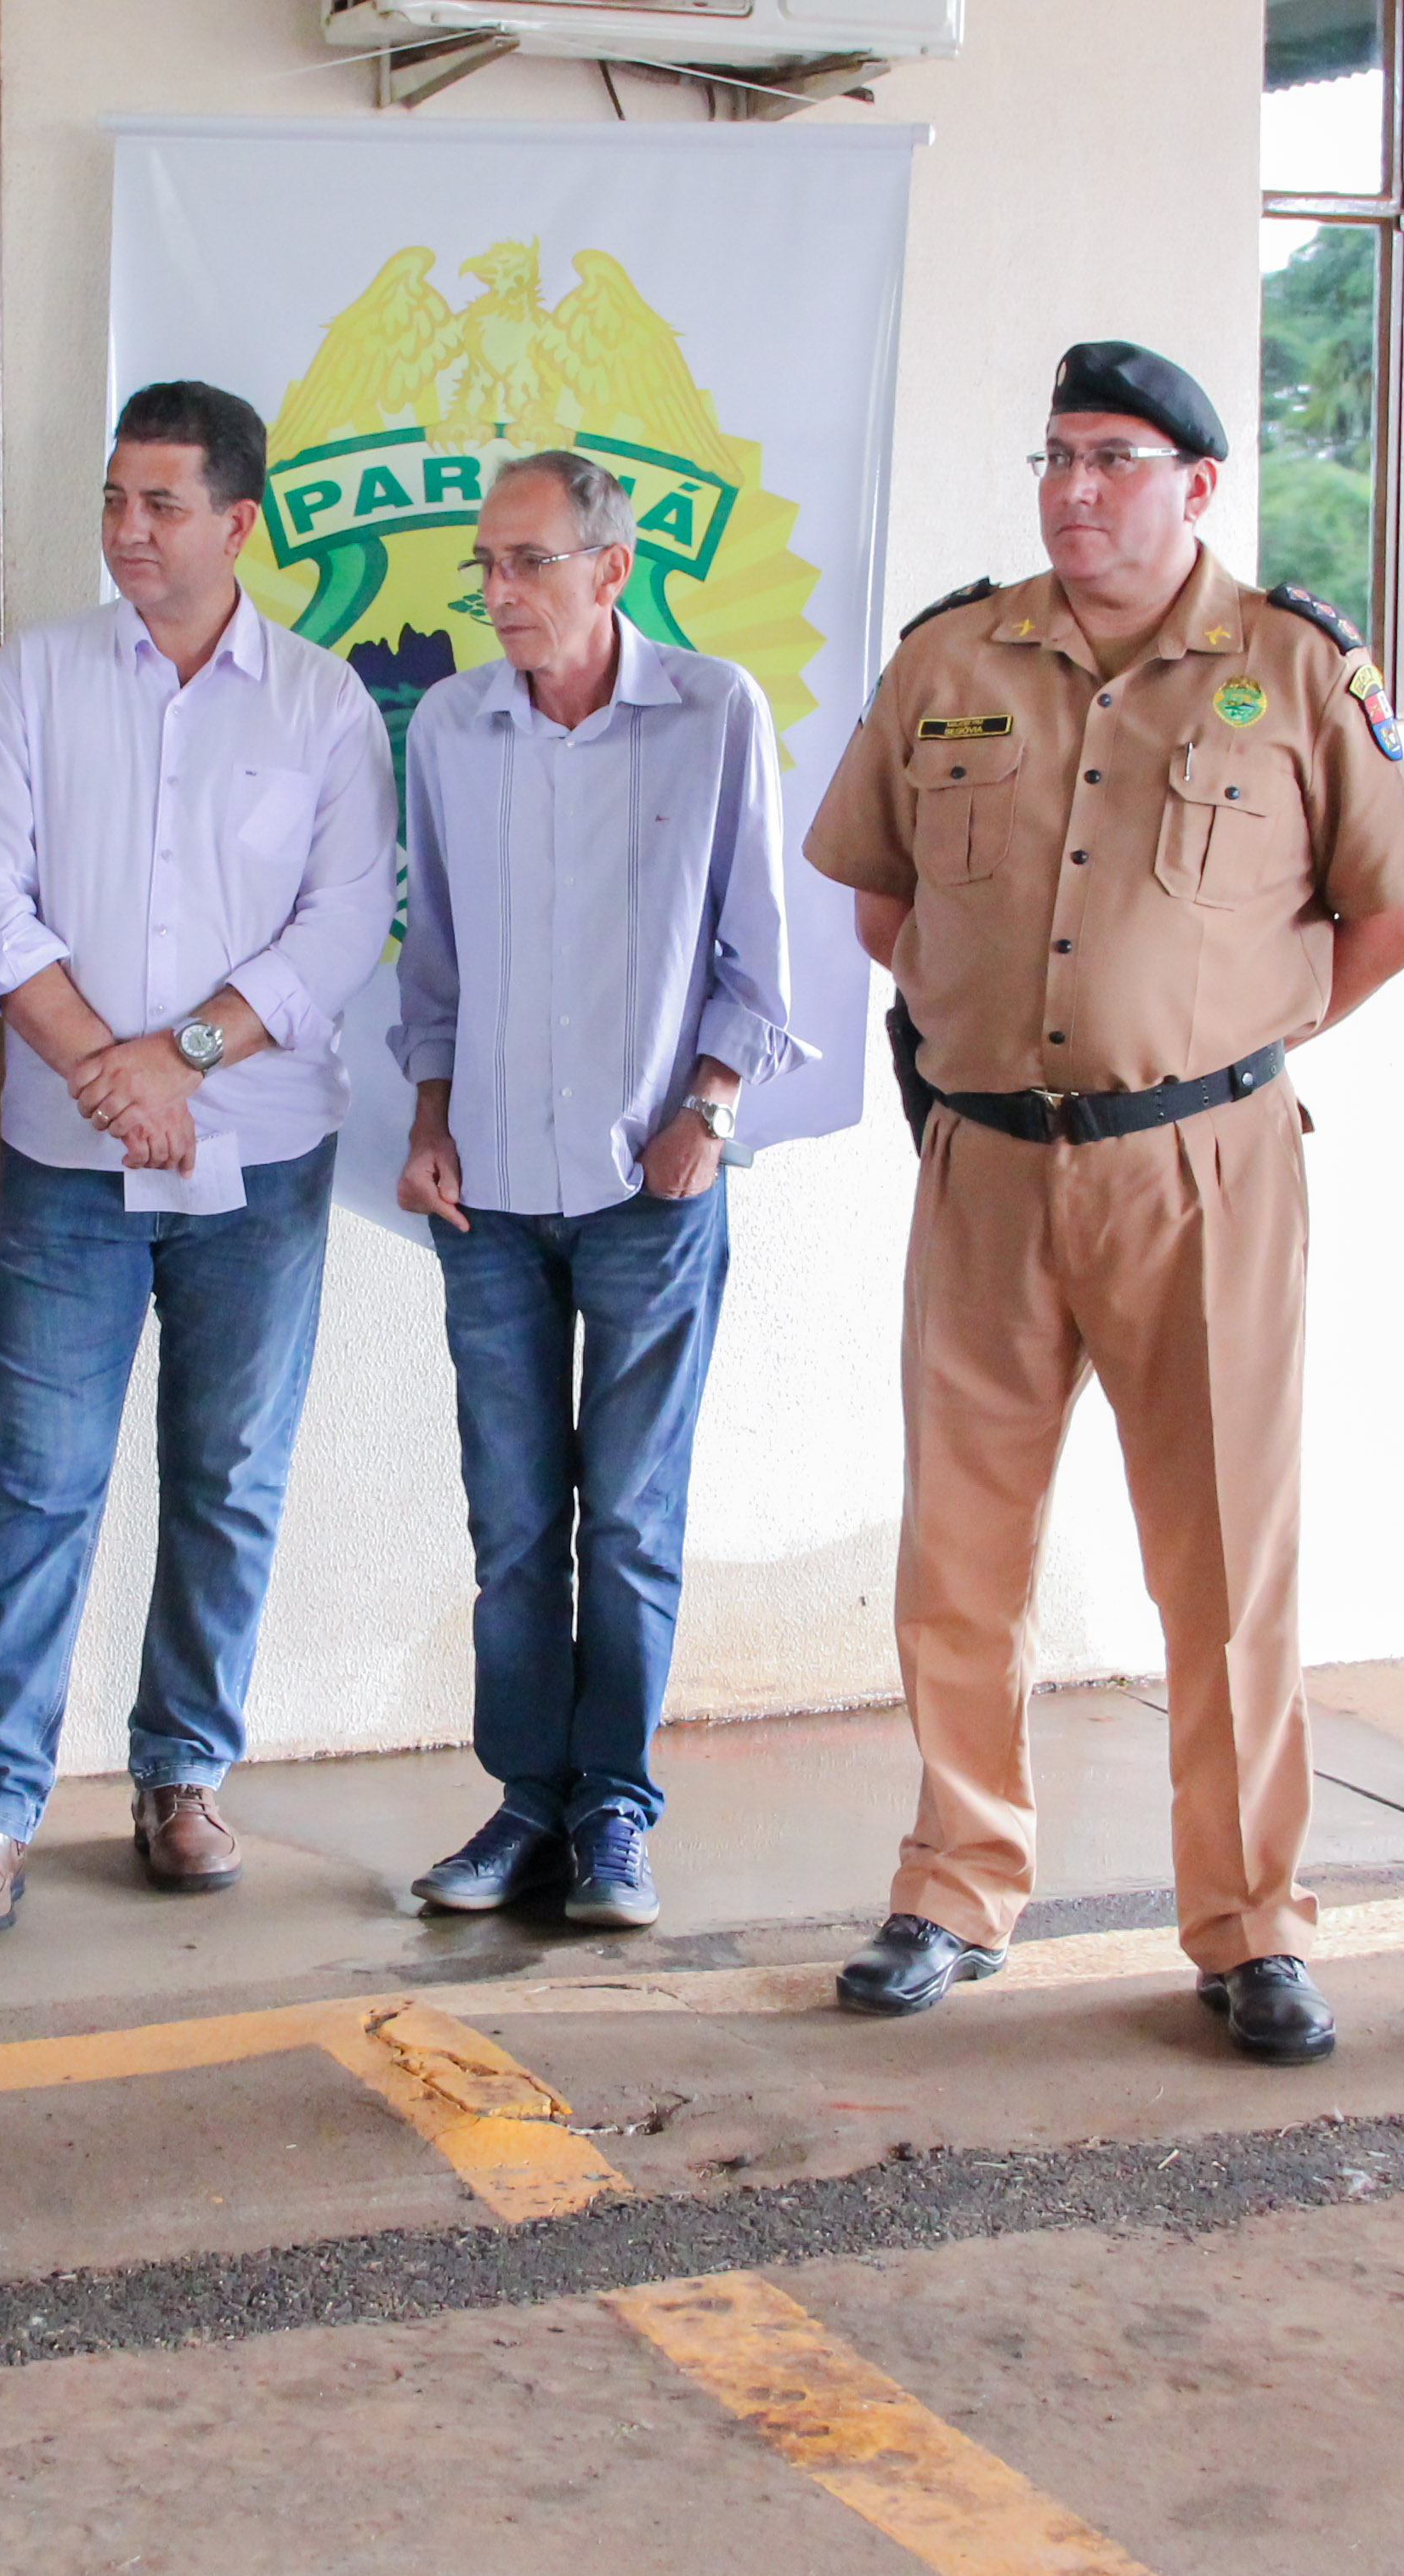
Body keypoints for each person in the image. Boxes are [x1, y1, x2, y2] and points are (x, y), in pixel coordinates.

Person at [801, 341, 1404, 2060]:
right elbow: (880, 898)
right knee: (956, 1553)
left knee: (1224, 1562)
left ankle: (1247, 1925)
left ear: (1196, 488)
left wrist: (1224, 1039)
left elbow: (1389, 918)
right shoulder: (951, 657)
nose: (1075, 489)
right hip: (992, 1164)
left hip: (1203, 1176)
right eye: (1058, 453)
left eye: (1115, 459)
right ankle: (951, 1884)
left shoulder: (1295, 668)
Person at [0, 380, 396, 1939]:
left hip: (259, 1160)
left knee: (227, 1477)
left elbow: (338, 926)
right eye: (114, 500)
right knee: (39, 1479)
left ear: (237, 522)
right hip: (68, 1159)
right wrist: (104, 1077)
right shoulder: (34, 680)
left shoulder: (320, 703)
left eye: (160, 504)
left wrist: (175, 1060)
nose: (126, 530)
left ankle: (180, 1775)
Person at [391, 448, 811, 1931]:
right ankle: (524, 1803)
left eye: (526, 563)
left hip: (650, 1185)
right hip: (486, 1193)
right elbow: (428, 957)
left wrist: (704, 1111)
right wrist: (427, 1119)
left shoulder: (710, 715)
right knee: (511, 1521)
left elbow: (760, 955)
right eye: (484, 566)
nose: (497, 592)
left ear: (608, 568)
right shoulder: (448, 725)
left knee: (625, 1518)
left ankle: (614, 1813)